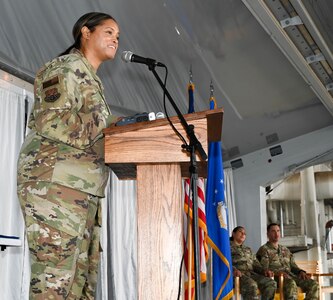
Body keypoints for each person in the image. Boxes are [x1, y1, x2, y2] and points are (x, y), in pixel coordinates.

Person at [17, 12, 119, 299]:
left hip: (80, 189)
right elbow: (51, 121)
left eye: (118, 36)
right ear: (85, 32)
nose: (115, 39)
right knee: (55, 282)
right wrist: (107, 137)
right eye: (109, 32)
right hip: (54, 184)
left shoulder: (91, 79)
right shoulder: (65, 67)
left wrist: (116, 133)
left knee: (78, 284)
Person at [256, 223, 319, 300]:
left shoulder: (285, 250)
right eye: (273, 231)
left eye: (278, 231)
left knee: (313, 284)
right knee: (291, 284)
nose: (276, 233)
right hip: (276, 278)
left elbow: (293, 266)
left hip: (291, 276)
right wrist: (277, 273)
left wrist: (300, 272)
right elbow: (264, 270)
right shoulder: (264, 250)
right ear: (268, 234)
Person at [230, 226, 277, 300]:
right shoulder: (228, 247)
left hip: (251, 274)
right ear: (233, 233)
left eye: (244, 233)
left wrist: (264, 270)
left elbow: (256, 264)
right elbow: (226, 263)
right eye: (240, 232)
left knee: (271, 283)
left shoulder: (248, 249)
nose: (243, 234)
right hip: (237, 275)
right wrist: (234, 270)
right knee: (252, 285)